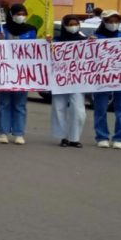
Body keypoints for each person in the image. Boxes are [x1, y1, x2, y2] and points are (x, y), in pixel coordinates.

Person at [0, 3, 36, 145]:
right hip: (4, 71)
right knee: (4, 103)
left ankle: (19, 133)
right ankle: (3, 132)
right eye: (18, 14)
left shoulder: (31, 30)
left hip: (22, 72)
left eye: (24, 14)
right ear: (11, 15)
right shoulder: (1, 29)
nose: (21, 16)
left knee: (20, 104)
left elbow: (36, 50)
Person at [52, 14, 89, 148]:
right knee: (59, 108)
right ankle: (63, 137)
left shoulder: (85, 41)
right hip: (60, 80)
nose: (73, 27)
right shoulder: (56, 41)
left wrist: (94, 43)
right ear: (64, 26)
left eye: (75, 24)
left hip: (78, 80)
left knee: (78, 110)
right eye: (70, 24)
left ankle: (75, 137)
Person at [91, 10, 121, 149]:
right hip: (101, 79)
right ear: (104, 22)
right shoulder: (95, 38)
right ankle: (102, 136)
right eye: (110, 21)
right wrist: (89, 45)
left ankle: (120, 138)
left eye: (116, 21)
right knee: (100, 108)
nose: (113, 24)